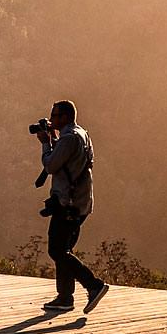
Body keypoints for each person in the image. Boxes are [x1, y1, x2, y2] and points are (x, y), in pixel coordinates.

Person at [34, 99, 106, 314]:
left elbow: (51, 164)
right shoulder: (81, 134)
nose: (52, 119)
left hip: (68, 203)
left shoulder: (68, 139)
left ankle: (93, 285)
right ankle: (65, 297)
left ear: (65, 117)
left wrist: (46, 143)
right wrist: (54, 139)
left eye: (54, 116)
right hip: (81, 202)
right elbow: (69, 160)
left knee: (56, 250)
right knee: (63, 249)